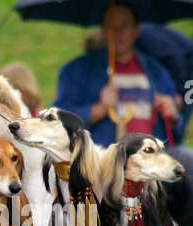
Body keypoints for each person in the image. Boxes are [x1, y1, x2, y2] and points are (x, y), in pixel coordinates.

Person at [53, 2, 184, 148]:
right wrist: (97, 110)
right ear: (102, 30)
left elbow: (177, 135)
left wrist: (173, 118)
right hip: (101, 165)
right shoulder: (76, 71)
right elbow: (58, 121)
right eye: (111, 26)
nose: (117, 32)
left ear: (136, 29)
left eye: (124, 26)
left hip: (149, 165)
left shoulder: (157, 72)